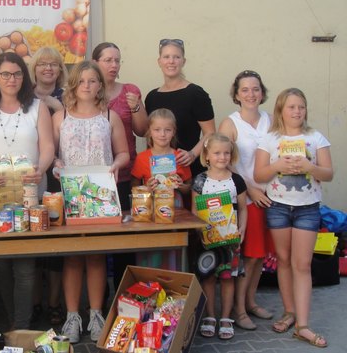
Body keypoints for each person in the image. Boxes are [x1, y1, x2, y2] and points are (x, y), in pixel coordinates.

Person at [0, 52, 55, 330]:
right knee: (2, 265)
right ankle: (11, 321)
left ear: (24, 77)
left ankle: (21, 326)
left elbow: (47, 148)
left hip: (31, 195)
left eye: (17, 74)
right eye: (5, 74)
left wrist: (40, 169)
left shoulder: (37, 107)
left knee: (26, 266)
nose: (11, 79)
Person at [53, 61, 129, 343]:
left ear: (100, 85)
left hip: (102, 195)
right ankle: (72, 317)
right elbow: (52, 154)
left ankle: (96, 315)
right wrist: (57, 164)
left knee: (97, 255)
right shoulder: (60, 116)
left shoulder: (110, 116)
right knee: (72, 257)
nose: (87, 85)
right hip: (71, 195)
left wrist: (116, 164)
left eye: (92, 80)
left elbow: (123, 153)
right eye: (81, 81)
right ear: (74, 84)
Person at [254, 88, 332, 348]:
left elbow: (328, 174)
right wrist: (277, 166)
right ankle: (289, 312)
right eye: (292, 107)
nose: (297, 111)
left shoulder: (315, 137)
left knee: (303, 265)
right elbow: (259, 175)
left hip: (307, 208)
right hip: (278, 207)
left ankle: (303, 325)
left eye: (301, 106)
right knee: (284, 261)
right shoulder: (269, 138)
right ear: (280, 110)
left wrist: (310, 167)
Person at [218, 70, 273, 331]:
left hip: (270, 197)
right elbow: (225, 162)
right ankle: (238, 311)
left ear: (262, 92)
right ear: (236, 94)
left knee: (259, 256)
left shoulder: (270, 120)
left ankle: (250, 301)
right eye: (245, 90)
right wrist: (250, 190)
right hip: (245, 199)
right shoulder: (230, 124)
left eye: (255, 89)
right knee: (246, 257)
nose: (251, 94)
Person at [192, 133, 247, 340]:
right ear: (206, 155)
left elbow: (243, 209)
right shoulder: (200, 180)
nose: (222, 157)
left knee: (227, 278)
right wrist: (199, 231)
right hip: (207, 240)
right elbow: (194, 210)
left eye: (226, 153)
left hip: (230, 240)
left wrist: (242, 229)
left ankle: (225, 317)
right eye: (217, 153)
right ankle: (210, 316)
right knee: (207, 277)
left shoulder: (237, 181)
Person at [28, 46, 68, 325]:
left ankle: (54, 303)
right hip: (31, 173)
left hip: (59, 174)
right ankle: (35, 302)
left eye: (53, 64)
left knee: (55, 240)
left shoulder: (69, 95)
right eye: (42, 64)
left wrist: (59, 109)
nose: (48, 69)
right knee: (32, 241)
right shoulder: (23, 95)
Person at [131, 108, 192, 270]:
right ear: (149, 132)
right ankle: (150, 286)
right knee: (151, 249)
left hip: (175, 209)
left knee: (173, 248)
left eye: (167, 130)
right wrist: (146, 188)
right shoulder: (142, 158)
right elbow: (134, 187)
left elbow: (189, 188)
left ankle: (174, 284)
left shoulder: (179, 157)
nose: (162, 134)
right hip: (149, 210)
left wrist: (181, 185)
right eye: (157, 130)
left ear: (174, 132)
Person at [145, 39, 215, 178]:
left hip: (189, 169)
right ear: (159, 61)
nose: (171, 61)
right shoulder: (152, 97)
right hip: (158, 173)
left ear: (183, 61)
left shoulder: (196, 94)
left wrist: (193, 154)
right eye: (166, 57)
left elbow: (210, 133)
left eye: (176, 57)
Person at [92, 42, 147, 205]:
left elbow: (143, 130)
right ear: (95, 63)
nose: (114, 65)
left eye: (117, 61)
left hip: (125, 172)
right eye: (108, 60)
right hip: (94, 171)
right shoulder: (86, 92)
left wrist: (136, 107)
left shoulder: (130, 91)